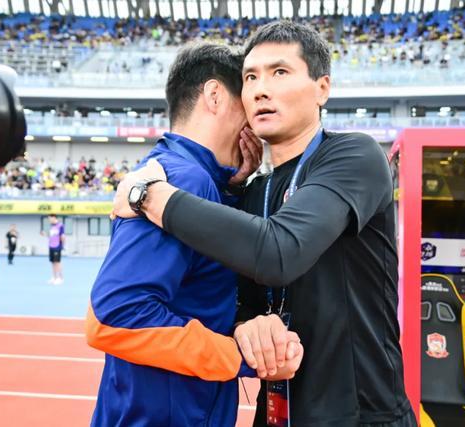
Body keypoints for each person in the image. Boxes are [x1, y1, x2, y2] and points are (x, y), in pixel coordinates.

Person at [112, 21, 415, 426]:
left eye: (280, 72)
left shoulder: (354, 156)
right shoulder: (255, 190)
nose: (259, 89)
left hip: (362, 415)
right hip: (275, 413)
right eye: (250, 77)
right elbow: (240, 296)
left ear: (322, 88)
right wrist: (245, 324)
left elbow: (278, 253)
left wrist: (149, 195)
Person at [85, 43, 303, 427]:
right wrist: (241, 355)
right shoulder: (185, 180)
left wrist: (231, 188)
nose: (254, 121)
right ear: (215, 96)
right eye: (246, 99)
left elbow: (196, 284)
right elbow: (116, 314)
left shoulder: (180, 174)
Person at [42, 214, 64, 285]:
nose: (49, 220)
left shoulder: (60, 225)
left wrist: (62, 245)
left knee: (57, 262)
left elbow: (62, 236)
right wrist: (45, 235)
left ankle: (60, 278)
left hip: (57, 246)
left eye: (50, 218)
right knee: (53, 262)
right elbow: (51, 236)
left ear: (54, 217)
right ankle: (54, 277)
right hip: (51, 246)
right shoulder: (52, 226)